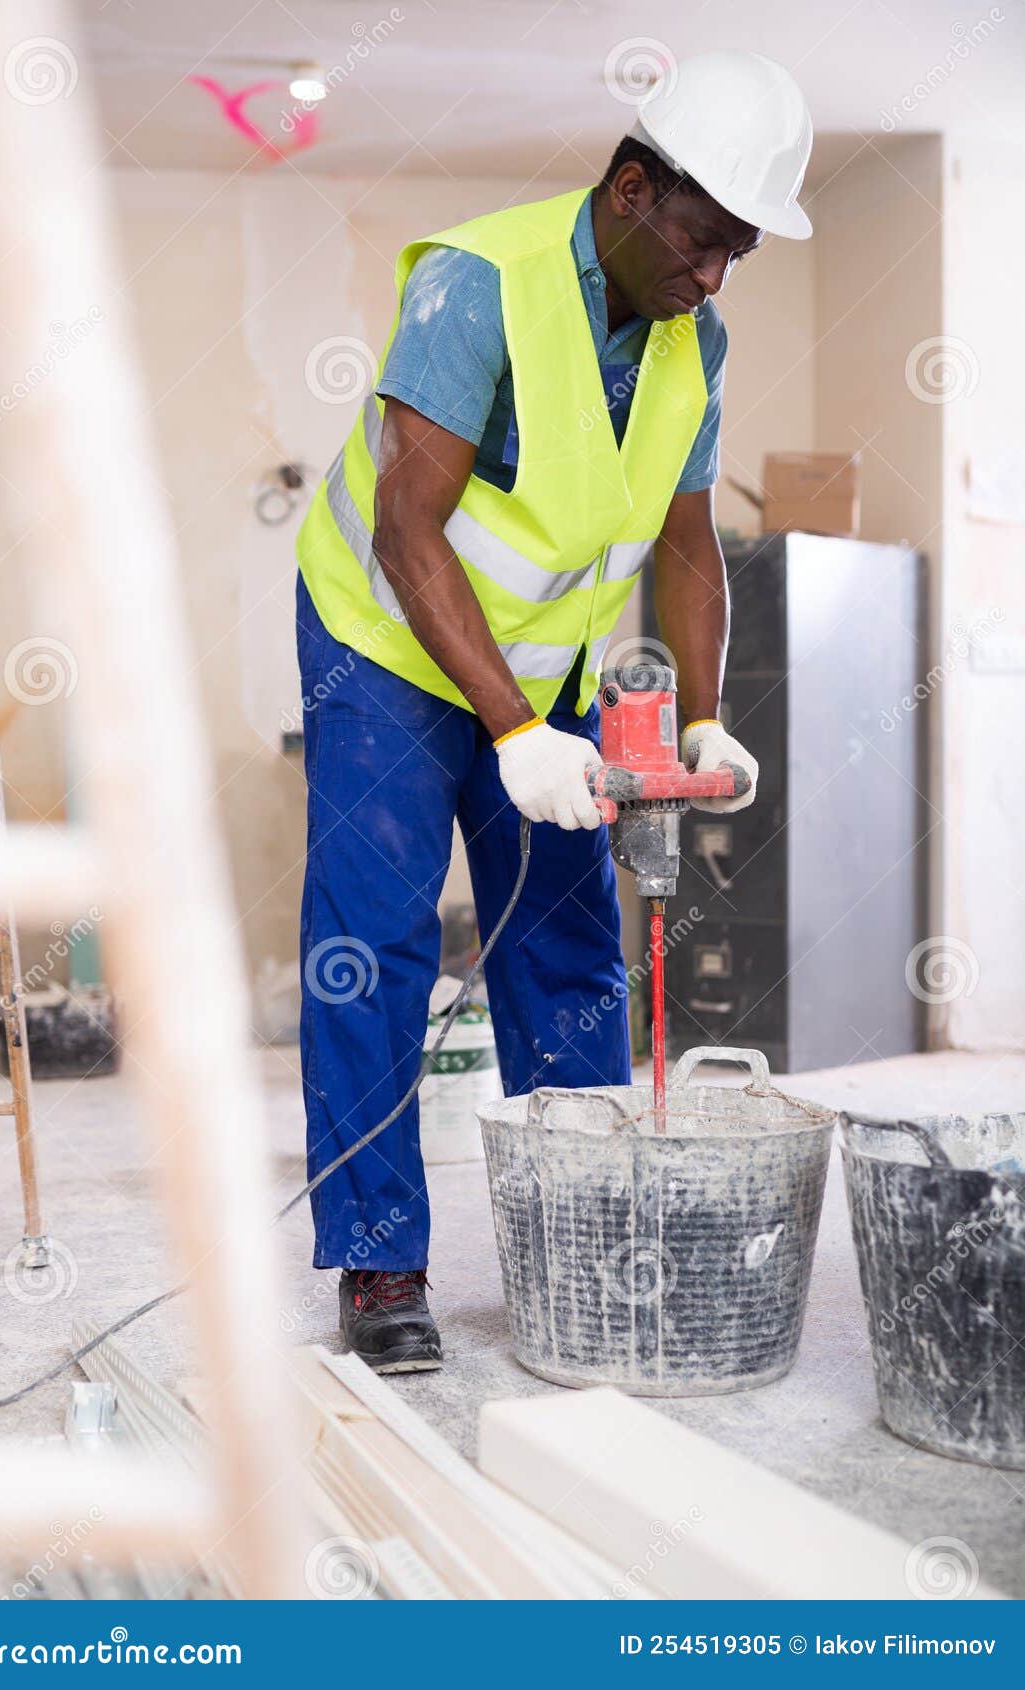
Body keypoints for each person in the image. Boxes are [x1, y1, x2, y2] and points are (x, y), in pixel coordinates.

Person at [295, 50, 813, 1371]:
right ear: (633, 190)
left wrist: (705, 715)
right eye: (703, 242)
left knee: (565, 935)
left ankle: (582, 1214)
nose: (712, 277)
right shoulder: (478, 284)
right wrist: (513, 733)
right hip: (382, 644)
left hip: (544, 663)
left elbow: (687, 545)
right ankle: (380, 1261)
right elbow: (413, 534)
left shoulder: (698, 341)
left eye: (738, 256)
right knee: (380, 939)